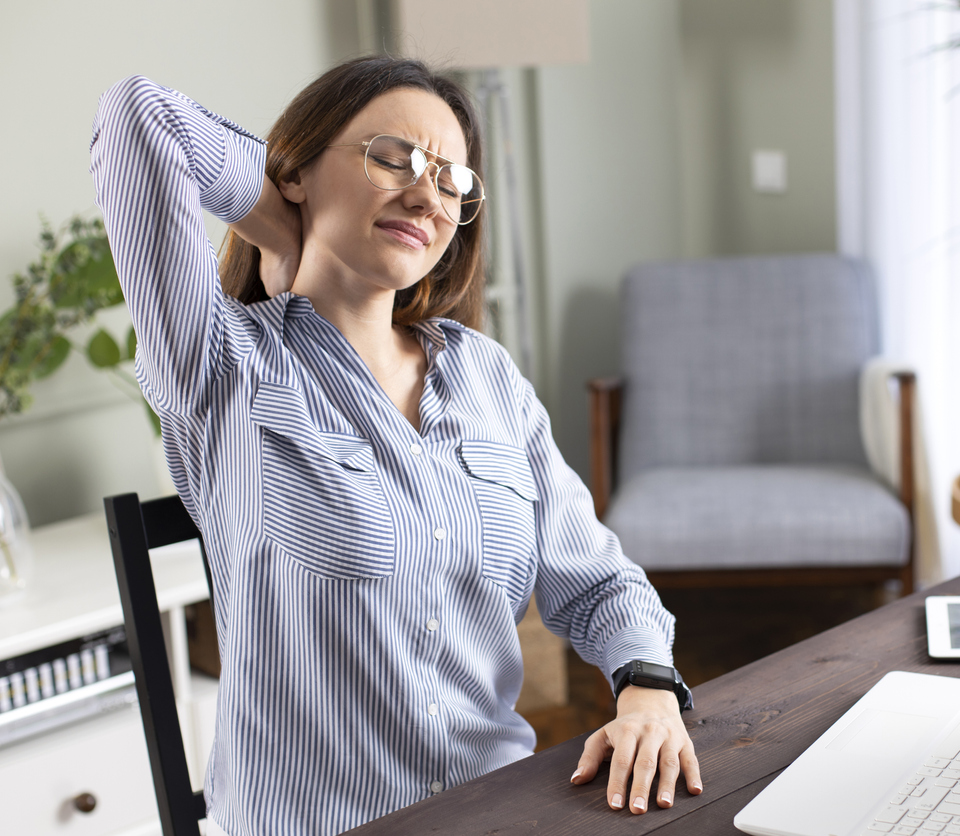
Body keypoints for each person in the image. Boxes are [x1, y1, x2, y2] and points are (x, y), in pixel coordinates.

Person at [90, 55, 701, 836]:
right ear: (298, 169)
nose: (427, 193)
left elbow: (596, 581)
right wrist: (281, 222)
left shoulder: (484, 374)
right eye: (392, 157)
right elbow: (141, 118)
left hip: (503, 810)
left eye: (452, 181)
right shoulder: (221, 366)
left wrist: (646, 687)